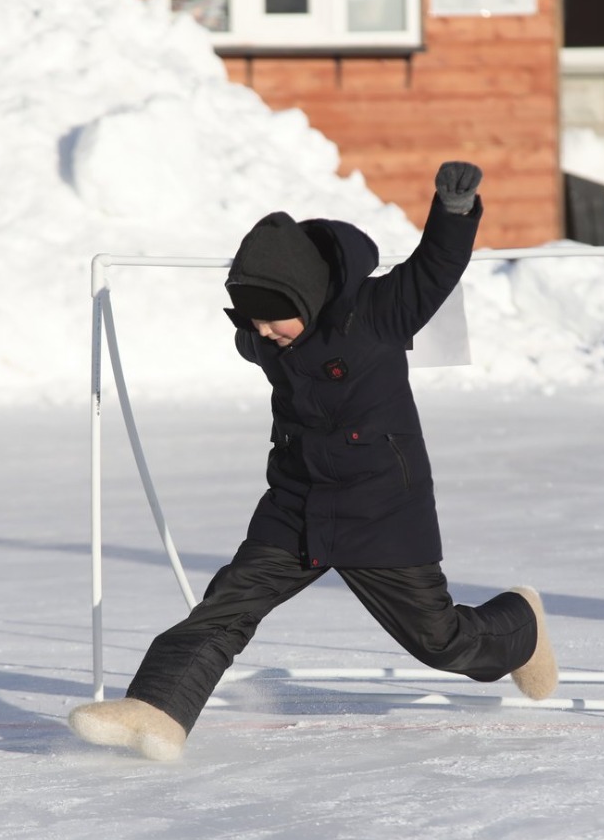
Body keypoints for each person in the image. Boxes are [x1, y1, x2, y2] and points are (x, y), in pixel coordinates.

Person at [69, 161, 558, 761]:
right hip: (297, 502)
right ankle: (158, 709)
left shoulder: (376, 312)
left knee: (439, 640)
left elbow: (433, 272)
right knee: (226, 608)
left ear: (307, 294)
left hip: (381, 504)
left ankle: (520, 625)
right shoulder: (266, 338)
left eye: (273, 315)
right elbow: (261, 325)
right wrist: (261, 322)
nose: (262, 331)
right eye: (251, 318)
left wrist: (452, 215)